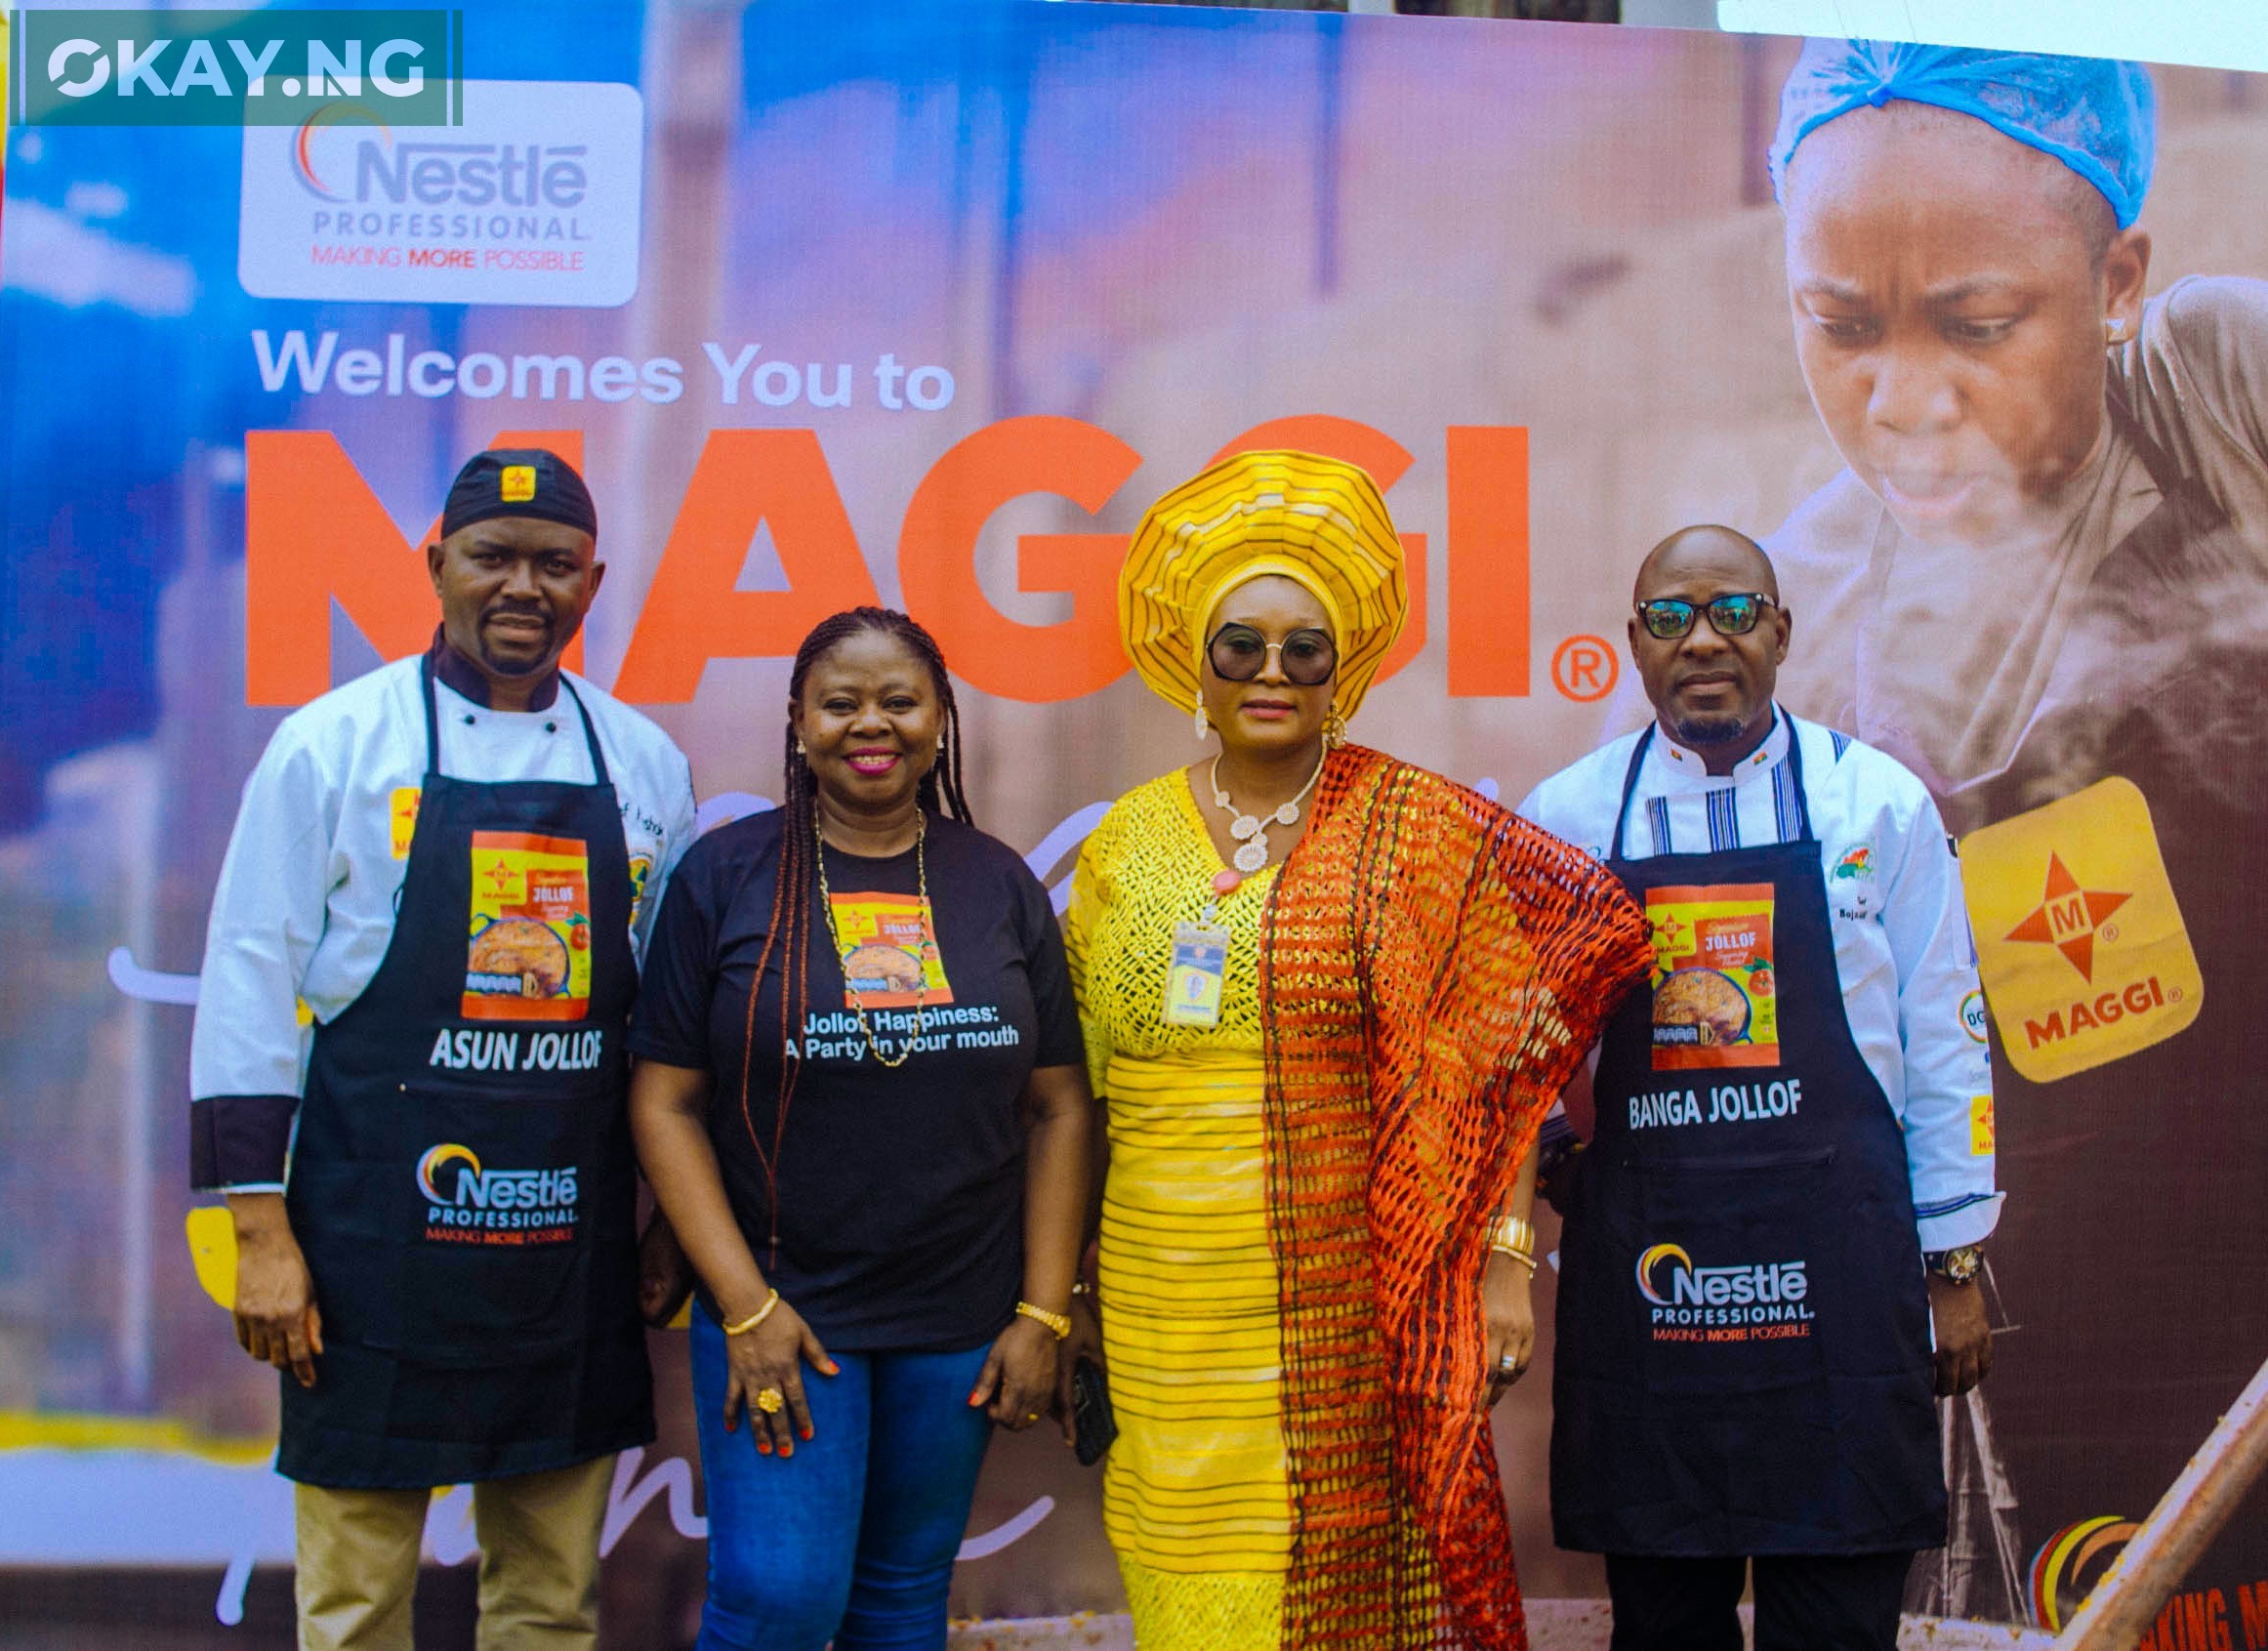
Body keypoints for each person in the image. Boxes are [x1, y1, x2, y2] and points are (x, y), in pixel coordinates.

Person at [1763, 41, 2268, 1599]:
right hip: (2025, 1425)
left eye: (1978, 324)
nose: (1902, 401)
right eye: (1837, 327)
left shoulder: (2209, 406)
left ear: (2115, 275)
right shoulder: (1811, 610)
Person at [1064, 449, 1649, 1651]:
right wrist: (1065, 1289)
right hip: (1160, 1297)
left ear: (1343, 672)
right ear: (1197, 662)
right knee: (1185, 1587)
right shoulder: (1126, 839)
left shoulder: (1416, 828)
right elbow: (1077, 1084)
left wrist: (1499, 1259)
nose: (1271, 669)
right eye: (1241, 643)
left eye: (1304, 646)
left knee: (1344, 1594)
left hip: (1355, 1289)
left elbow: (1503, 1065)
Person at [189, 448, 697, 1651]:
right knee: (357, 1601)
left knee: (548, 1601)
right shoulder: (332, 745)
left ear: (593, 580)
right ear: (435, 563)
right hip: (368, 1239)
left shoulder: (644, 761)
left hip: (566, 1246)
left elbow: (669, 1024)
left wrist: (668, 1220)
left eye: (555, 564)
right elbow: (246, 977)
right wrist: (261, 1238)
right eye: (493, 556)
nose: (524, 586)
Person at [1519, 524, 1999, 1651]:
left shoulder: (1875, 803)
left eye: (1733, 611)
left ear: (1779, 629)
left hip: (1842, 1274)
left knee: (1835, 1626)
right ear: (1634, 641)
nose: (1704, 640)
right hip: (1652, 1287)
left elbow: (1945, 1035)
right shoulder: (1566, 818)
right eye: (1672, 616)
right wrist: (1552, 1158)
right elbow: (1510, 1031)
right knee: (1665, 1626)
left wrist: (1956, 1257)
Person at [626, 606, 1093, 1651]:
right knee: (778, 1600)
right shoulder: (725, 874)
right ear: (798, 721)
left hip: (962, 1319)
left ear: (939, 719)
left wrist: (1043, 1312)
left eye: (898, 700)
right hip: (785, 1309)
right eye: (840, 702)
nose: (869, 723)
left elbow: (1061, 1106)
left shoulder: (995, 880)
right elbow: (662, 1099)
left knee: (899, 1599)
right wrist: (744, 1308)